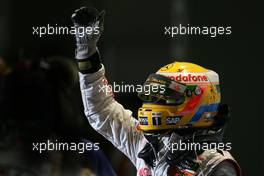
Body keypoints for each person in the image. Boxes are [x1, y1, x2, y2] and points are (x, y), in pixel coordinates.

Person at [71, 7, 241, 176]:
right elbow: (101, 110)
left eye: (164, 98)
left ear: (194, 102)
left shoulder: (216, 165)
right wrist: (86, 51)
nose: (154, 103)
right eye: (154, 96)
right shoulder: (148, 144)